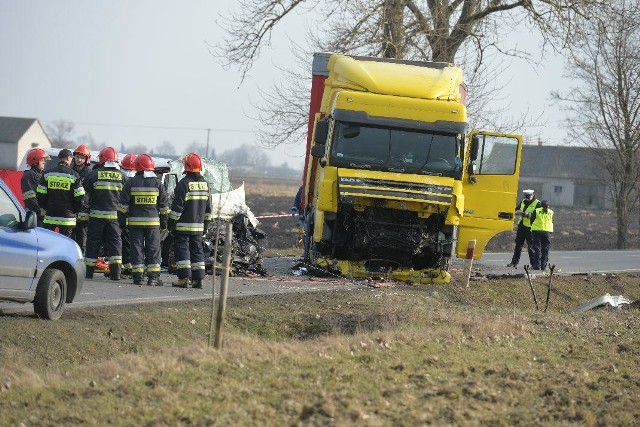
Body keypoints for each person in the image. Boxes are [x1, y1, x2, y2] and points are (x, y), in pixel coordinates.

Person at [118, 154, 169, 286]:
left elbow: (123, 206)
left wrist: (122, 222)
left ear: (137, 167)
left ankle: (138, 277)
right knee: (153, 248)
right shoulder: (158, 184)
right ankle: (153, 278)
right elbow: (164, 207)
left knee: (137, 248)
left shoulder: (131, 183)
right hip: (153, 224)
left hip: (135, 223)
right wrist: (164, 223)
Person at [169, 153, 212, 289]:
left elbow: (177, 208)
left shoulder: (183, 183)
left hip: (182, 226)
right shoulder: (205, 184)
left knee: (182, 251)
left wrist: (171, 224)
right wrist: (206, 225)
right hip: (198, 227)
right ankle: (198, 279)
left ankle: (183, 278)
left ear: (187, 166)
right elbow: (208, 208)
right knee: (197, 251)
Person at [83, 147, 125, 280]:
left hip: (96, 216)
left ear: (101, 159)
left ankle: (88, 272)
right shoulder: (123, 176)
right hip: (115, 219)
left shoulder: (94, 174)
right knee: (115, 244)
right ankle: (116, 273)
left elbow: (84, 195)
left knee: (93, 243)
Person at [36, 149, 85, 237]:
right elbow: (80, 197)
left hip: (50, 216)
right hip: (67, 218)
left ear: (59, 158)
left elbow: (40, 195)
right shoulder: (74, 175)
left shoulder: (47, 174)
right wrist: (75, 211)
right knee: (65, 245)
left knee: (48, 243)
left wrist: (47, 207)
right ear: (68, 158)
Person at [506, 189, 540, 268]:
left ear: (532, 195)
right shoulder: (523, 202)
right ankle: (514, 263)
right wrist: (517, 212)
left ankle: (534, 264)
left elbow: (537, 216)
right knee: (518, 245)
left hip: (530, 228)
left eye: (528, 197)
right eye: (526, 197)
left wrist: (527, 215)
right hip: (521, 226)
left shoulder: (537, 203)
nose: (527, 198)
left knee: (531, 247)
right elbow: (516, 209)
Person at [71, 144, 92, 254]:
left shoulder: (90, 173)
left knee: (82, 239)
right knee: (69, 239)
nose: (79, 160)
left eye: (82, 158)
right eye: (77, 157)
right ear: (74, 157)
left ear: (86, 159)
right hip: (70, 210)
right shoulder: (69, 171)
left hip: (84, 211)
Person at [119, 153, 138, 276]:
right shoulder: (140, 181)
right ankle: (130, 266)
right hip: (135, 218)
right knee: (133, 243)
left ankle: (126, 265)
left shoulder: (124, 180)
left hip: (124, 216)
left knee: (124, 242)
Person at [21, 148, 50, 226]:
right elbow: (29, 196)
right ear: (35, 161)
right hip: (34, 214)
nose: (44, 162)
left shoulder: (41, 174)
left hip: (41, 215)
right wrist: (38, 210)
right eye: (42, 160)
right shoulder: (29, 175)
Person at [529, 200, 554, 271]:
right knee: (545, 249)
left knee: (537, 248)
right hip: (547, 232)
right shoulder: (551, 212)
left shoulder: (537, 210)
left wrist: (532, 226)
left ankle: (537, 265)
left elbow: (531, 220)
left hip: (537, 231)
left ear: (541, 205)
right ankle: (543, 266)